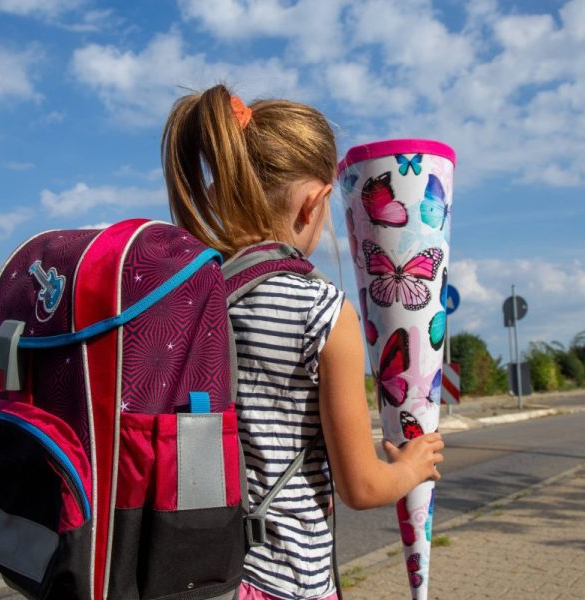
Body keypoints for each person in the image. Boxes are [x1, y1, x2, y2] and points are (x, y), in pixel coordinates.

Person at [161, 84, 444, 600]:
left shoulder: (194, 298)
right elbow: (361, 487)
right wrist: (409, 468)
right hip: (288, 583)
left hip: (204, 576)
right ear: (314, 202)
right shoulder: (322, 312)